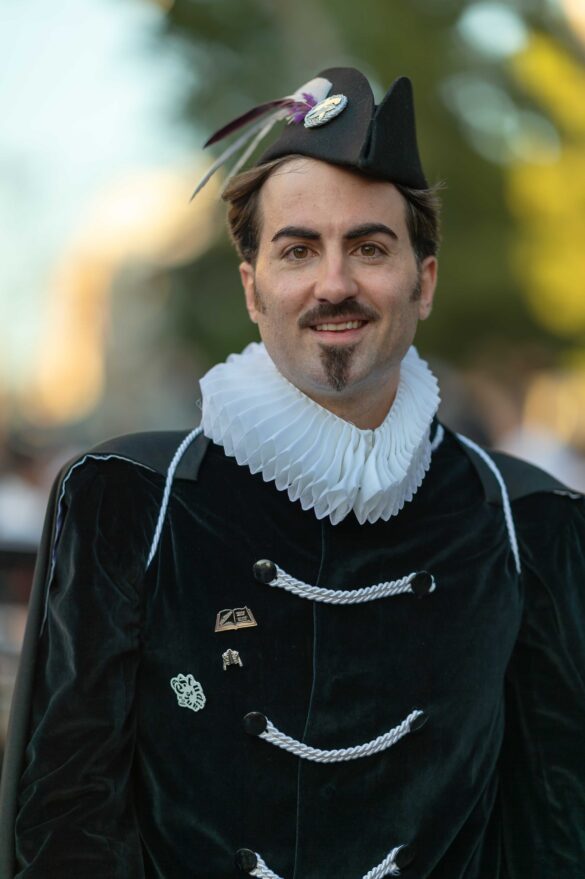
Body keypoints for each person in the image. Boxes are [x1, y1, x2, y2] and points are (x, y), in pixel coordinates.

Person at [1, 66, 584, 879]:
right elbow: (65, 825)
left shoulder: (530, 518)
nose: (333, 283)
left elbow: (556, 828)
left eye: (369, 248)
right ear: (253, 289)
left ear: (423, 281)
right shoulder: (125, 497)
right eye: (298, 249)